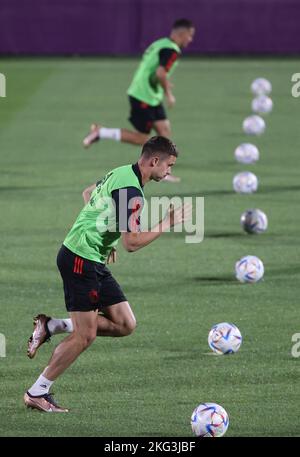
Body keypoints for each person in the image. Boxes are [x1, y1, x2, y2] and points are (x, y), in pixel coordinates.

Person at [24, 136, 191, 413]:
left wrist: (105, 240)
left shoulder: (122, 171)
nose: (169, 172)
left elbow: (88, 194)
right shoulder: (132, 193)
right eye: (169, 166)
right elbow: (133, 243)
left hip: (91, 258)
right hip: (80, 260)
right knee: (84, 336)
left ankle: (51, 326)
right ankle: (37, 392)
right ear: (154, 161)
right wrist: (167, 223)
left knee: (125, 323)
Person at [82, 18, 195, 182]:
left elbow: (154, 72)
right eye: (190, 36)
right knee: (142, 138)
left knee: (164, 131)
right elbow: (160, 73)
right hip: (142, 96)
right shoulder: (171, 50)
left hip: (151, 95)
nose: (190, 40)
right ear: (182, 34)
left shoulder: (161, 43)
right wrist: (168, 92)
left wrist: (160, 85)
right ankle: (101, 132)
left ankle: (162, 172)